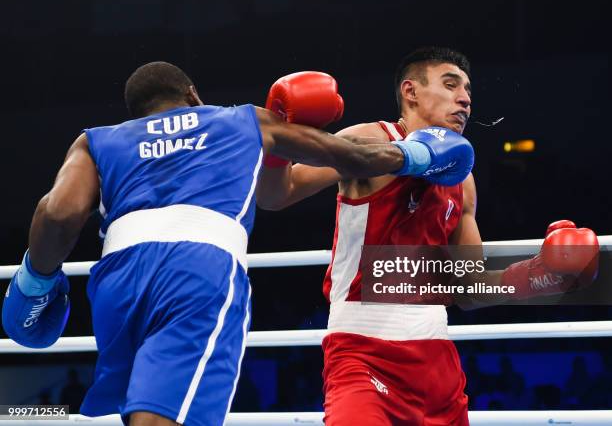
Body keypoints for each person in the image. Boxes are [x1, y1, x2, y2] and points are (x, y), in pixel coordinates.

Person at [1, 61, 475, 426]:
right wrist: (413, 155)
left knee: (139, 407)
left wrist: (34, 280)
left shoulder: (99, 140)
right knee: (169, 413)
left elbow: (58, 213)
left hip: (117, 279)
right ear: (193, 96)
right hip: (197, 272)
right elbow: (344, 155)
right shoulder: (238, 121)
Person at [256, 47, 599, 425]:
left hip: (436, 362)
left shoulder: (463, 181)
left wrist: (543, 276)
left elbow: (470, 290)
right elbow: (276, 194)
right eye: (451, 85)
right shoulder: (369, 139)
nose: (465, 99)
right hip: (361, 353)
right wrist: (281, 133)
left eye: (468, 91)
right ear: (411, 91)